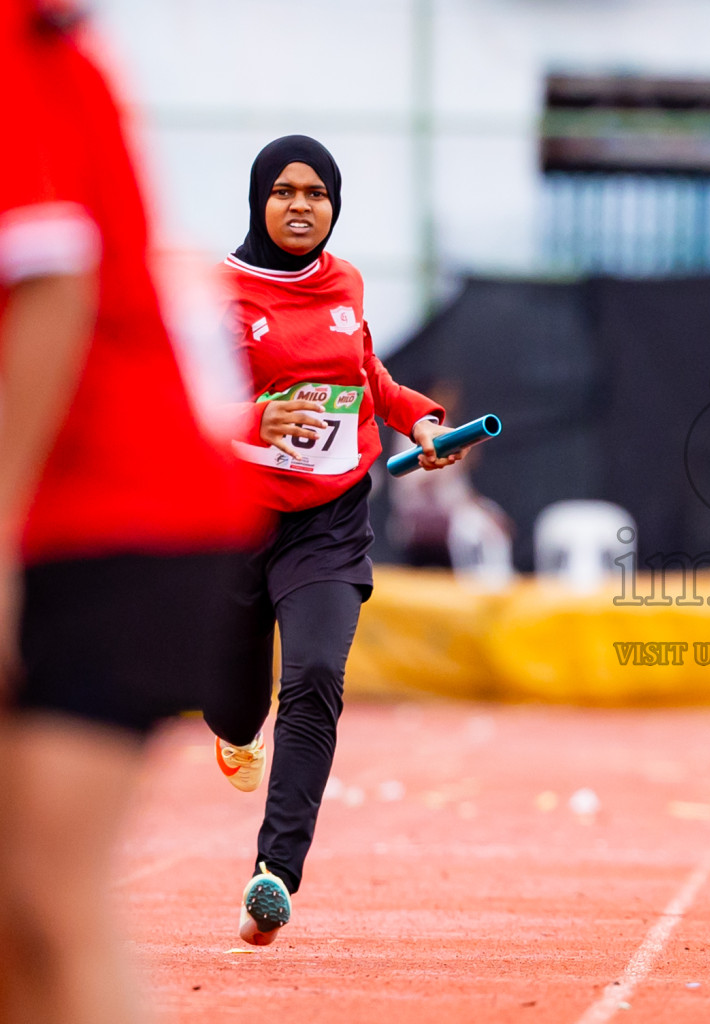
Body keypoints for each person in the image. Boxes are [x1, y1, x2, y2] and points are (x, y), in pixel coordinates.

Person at [0, 2, 262, 1020]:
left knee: (44, 897)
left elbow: (53, 286)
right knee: (22, 916)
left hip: (114, 521)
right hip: (77, 514)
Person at [204, 135, 462, 946]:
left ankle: (274, 874)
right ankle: (234, 731)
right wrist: (255, 418)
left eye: (316, 192)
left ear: (334, 205)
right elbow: (185, 405)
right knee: (234, 704)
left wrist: (418, 418)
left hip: (329, 521)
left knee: (315, 674)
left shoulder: (344, 282)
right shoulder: (218, 294)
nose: (300, 205)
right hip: (236, 519)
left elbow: (367, 377)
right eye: (283, 191)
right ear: (258, 200)